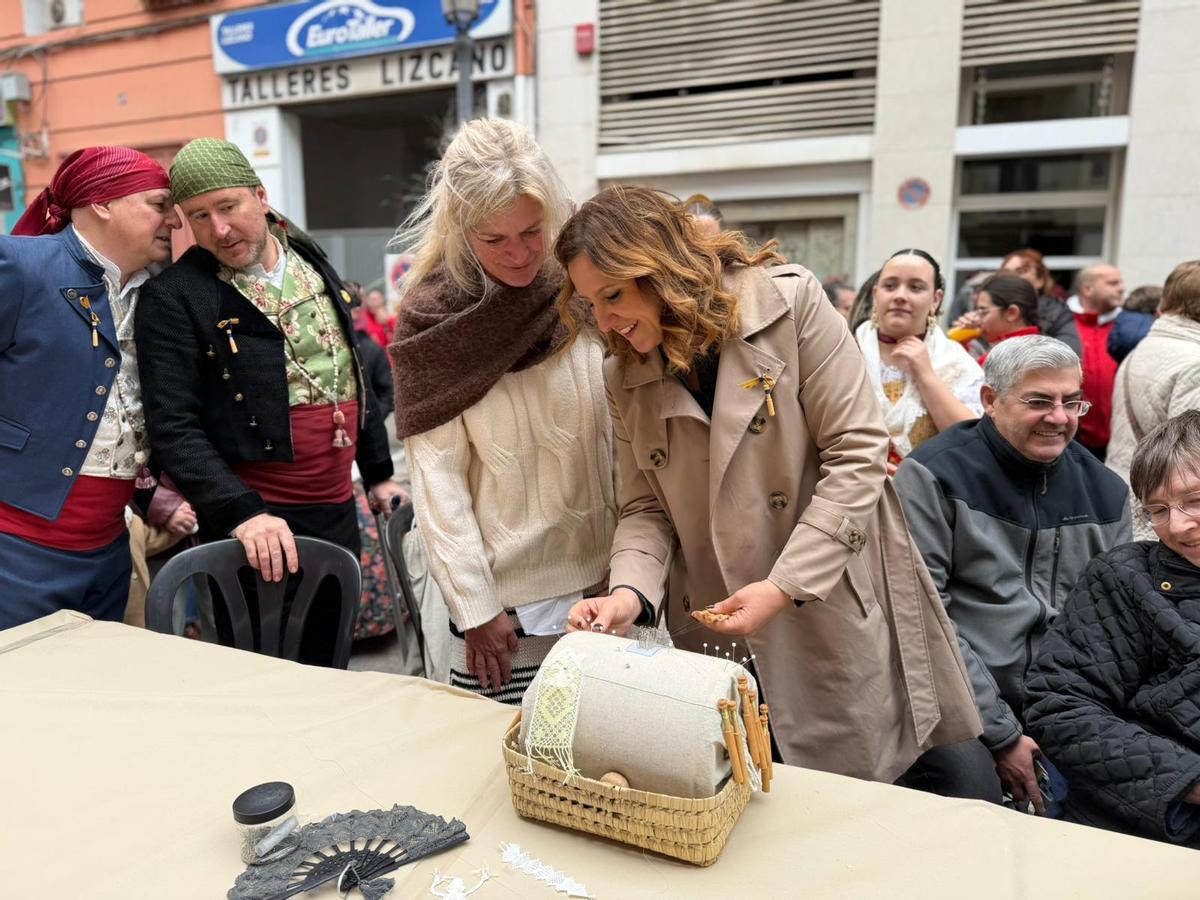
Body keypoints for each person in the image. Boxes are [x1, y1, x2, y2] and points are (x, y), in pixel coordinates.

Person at [555, 186, 981, 784]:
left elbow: (858, 451)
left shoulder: (790, 303)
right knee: (738, 795)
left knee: (844, 802)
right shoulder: (622, 372)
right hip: (714, 623)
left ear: (662, 269)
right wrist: (628, 595)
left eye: (614, 295)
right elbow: (646, 506)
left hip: (819, 598)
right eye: (589, 304)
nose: (603, 321)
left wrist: (784, 585)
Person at [136, 138, 404, 660]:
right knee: (255, 672)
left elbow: (349, 370)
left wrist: (379, 472)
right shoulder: (175, 296)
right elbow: (173, 427)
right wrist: (243, 515)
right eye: (199, 217)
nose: (219, 229)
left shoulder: (310, 257)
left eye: (229, 207)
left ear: (261, 196)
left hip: (335, 510)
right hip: (252, 522)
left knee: (329, 663)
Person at [390, 118, 616, 704]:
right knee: (503, 774)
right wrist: (476, 609)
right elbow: (437, 482)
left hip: (611, 583)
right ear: (461, 230)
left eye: (532, 231)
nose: (518, 253)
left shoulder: (582, 287)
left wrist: (634, 570)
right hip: (505, 611)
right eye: (494, 240)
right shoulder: (435, 321)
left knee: (613, 766)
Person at [894, 336, 1131, 811]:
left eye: (1071, 402)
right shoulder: (934, 476)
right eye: (1039, 401)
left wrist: (1079, 720)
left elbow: (1116, 626)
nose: (1059, 417)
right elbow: (925, 619)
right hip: (953, 701)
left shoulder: (1106, 493)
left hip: (1067, 703)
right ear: (989, 400)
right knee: (973, 796)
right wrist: (1002, 735)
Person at [0, 146, 180, 629]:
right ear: (103, 203)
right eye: (159, 204)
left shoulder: (159, 292)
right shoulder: (21, 264)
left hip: (109, 548)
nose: (175, 221)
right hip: (16, 551)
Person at [1024, 410, 1200, 846]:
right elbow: (1059, 705)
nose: (1177, 526)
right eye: (1158, 510)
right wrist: (1189, 782)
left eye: (1195, 500)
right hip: (1153, 825)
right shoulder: (1125, 578)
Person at [856, 249, 983, 474]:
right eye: (890, 286)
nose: (900, 296)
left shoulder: (955, 362)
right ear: (876, 294)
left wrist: (925, 375)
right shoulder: (846, 350)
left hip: (929, 497)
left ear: (935, 299)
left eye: (915, 287)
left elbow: (972, 445)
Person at [1108, 260, 1200, 539]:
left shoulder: (1143, 348)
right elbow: (1192, 460)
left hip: (1128, 504)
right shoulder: (1194, 362)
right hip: (1170, 524)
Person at [1068, 264, 1153, 460]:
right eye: (1112, 283)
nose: (1122, 288)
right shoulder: (1062, 323)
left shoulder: (1131, 326)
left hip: (1122, 440)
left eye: (1121, 282)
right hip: (1072, 438)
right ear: (1087, 289)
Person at [999, 248, 1081, 354]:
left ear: (1040, 280)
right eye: (1006, 273)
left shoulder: (1058, 312)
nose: (1012, 278)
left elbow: (1069, 353)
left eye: (1021, 272)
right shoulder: (992, 310)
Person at [970, 272, 1041, 365]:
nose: (977, 320)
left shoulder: (998, 359)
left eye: (983, 312)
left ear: (1012, 313)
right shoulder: (1042, 347)